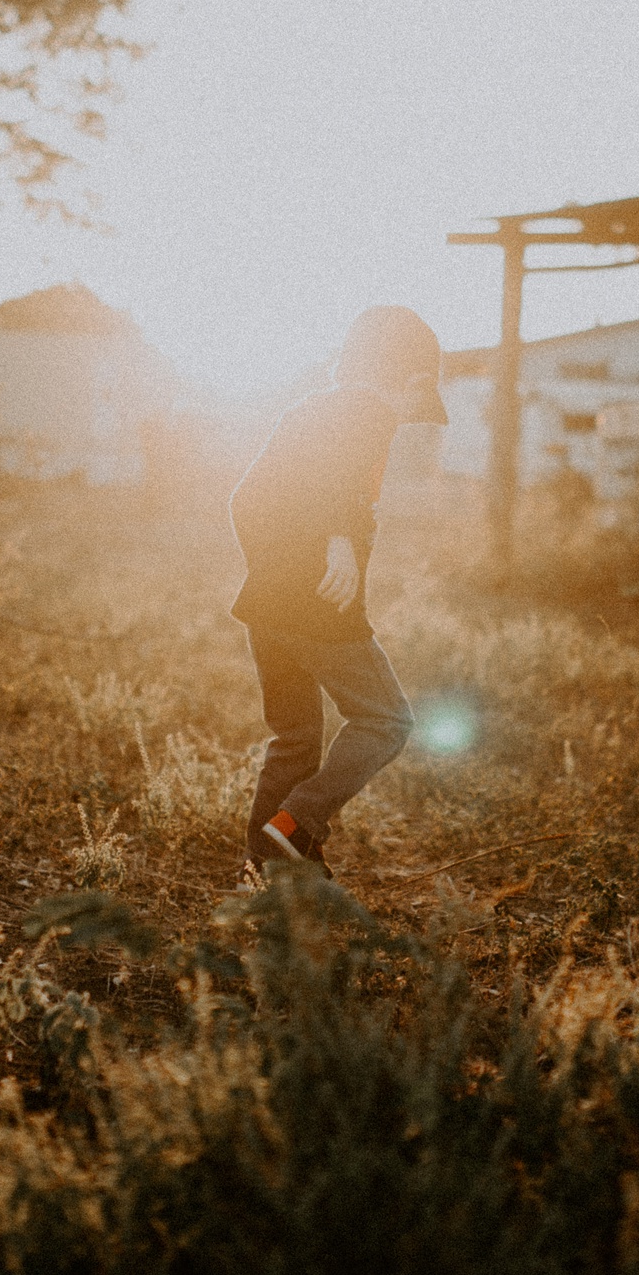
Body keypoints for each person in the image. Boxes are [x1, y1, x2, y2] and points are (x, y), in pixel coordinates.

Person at [231, 305, 449, 868]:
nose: (407, 418)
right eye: (418, 396)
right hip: (320, 611)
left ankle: (268, 870)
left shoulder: (309, 411)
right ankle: (299, 821)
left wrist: (275, 570)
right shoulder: (367, 411)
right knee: (387, 719)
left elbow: (243, 501)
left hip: (268, 604)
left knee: (296, 740)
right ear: (410, 378)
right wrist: (334, 539)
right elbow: (335, 481)